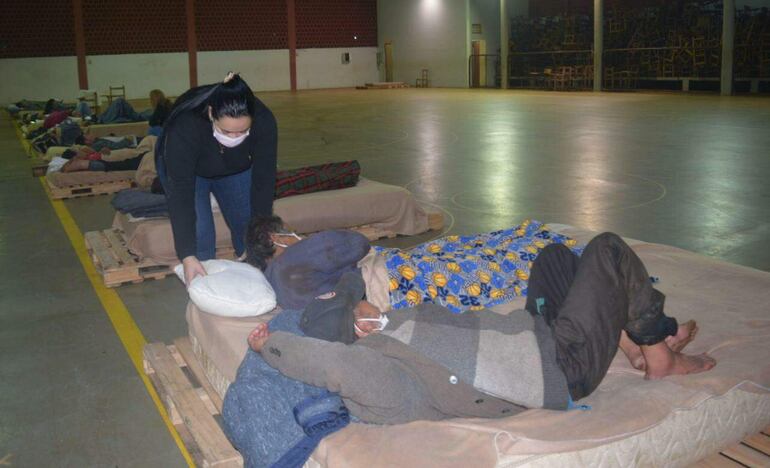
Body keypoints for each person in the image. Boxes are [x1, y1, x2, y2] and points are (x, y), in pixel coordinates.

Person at [244, 233, 716, 424]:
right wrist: (273, 346)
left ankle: (630, 343)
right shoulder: (388, 376)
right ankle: (660, 357)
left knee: (554, 257)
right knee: (608, 251)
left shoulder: (391, 326)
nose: (369, 303)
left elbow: (349, 282)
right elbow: (337, 368)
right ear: (358, 329)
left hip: (535, 331)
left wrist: (356, 305)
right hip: (559, 365)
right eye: (360, 309)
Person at [245, 216, 582, 313]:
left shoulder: (279, 285)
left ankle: (538, 248)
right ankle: (546, 253)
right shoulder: (292, 260)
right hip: (390, 280)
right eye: (288, 232)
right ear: (277, 239)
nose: (294, 235)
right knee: (473, 265)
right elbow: (353, 244)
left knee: (450, 248)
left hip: (384, 277)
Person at [157, 72, 278, 285]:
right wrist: (187, 255)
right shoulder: (186, 126)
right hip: (192, 174)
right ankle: (205, 286)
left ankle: (252, 281)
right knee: (200, 236)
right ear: (212, 113)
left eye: (242, 132)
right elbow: (181, 195)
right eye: (226, 131)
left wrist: (261, 240)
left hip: (235, 170)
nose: (234, 138)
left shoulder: (264, 121)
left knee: (248, 229)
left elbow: (263, 183)